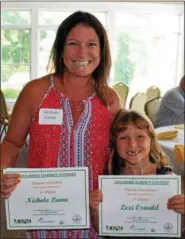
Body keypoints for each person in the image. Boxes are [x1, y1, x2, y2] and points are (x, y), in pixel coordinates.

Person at [0, 11, 121, 239]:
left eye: (91, 44)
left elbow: (121, 155)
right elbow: (13, 142)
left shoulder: (110, 99)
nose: (82, 52)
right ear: (60, 48)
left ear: (102, 51)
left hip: (94, 217)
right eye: (73, 43)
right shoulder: (36, 91)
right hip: (44, 214)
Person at [90, 110, 185, 238]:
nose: (132, 144)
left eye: (140, 137)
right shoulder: (109, 183)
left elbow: (177, 229)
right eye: (123, 137)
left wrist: (182, 212)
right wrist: (95, 210)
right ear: (114, 144)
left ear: (151, 140)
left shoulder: (168, 180)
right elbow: (102, 229)